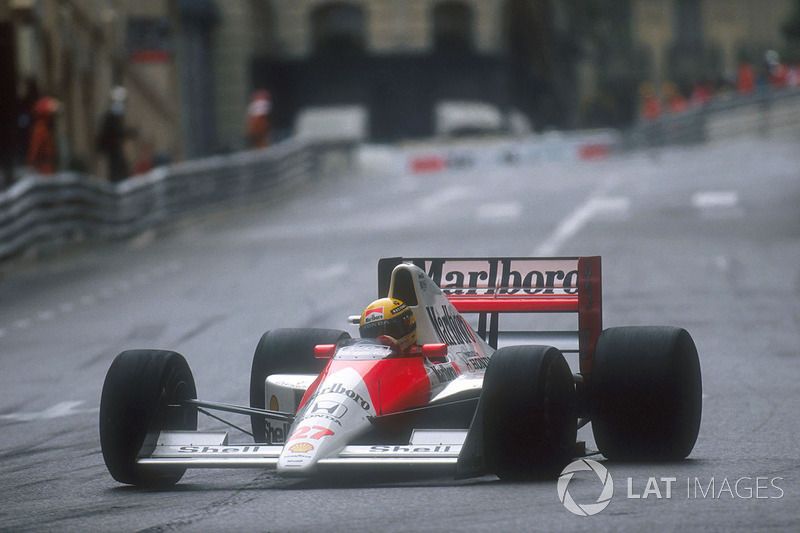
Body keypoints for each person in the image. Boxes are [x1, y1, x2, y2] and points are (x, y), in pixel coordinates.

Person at [97, 86, 130, 182]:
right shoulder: (111, 117)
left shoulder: (112, 117)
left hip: (113, 148)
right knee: (116, 169)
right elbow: (116, 131)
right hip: (112, 149)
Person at [26, 96, 60, 175]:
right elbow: (35, 149)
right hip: (44, 168)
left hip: (48, 166)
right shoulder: (41, 129)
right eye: (52, 115)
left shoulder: (45, 129)